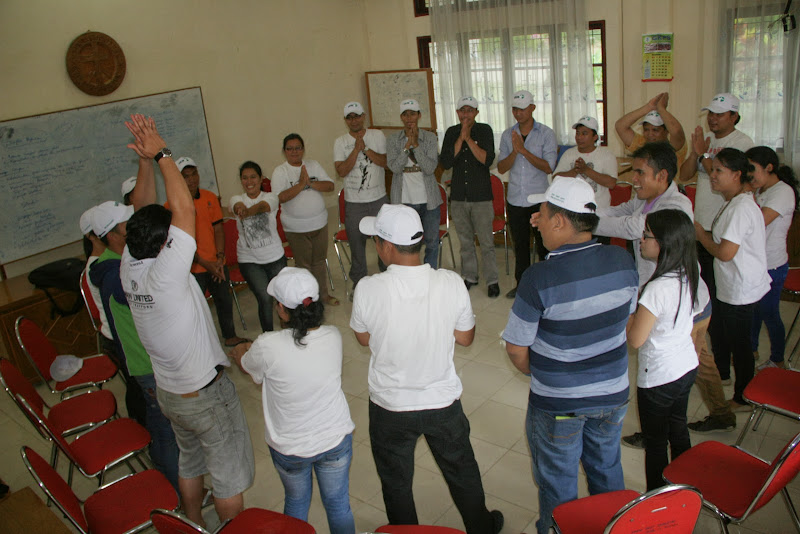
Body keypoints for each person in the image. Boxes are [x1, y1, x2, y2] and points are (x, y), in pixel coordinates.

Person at [121, 114, 254, 526]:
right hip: (203, 395)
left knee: (191, 463)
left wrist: (144, 162)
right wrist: (162, 153)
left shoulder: (130, 264)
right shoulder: (167, 272)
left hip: (170, 394)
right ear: (166, 243)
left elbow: (142, 209)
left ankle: (192, 523)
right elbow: (182, 208)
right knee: (227, 478)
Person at [350, 204, 503, 534]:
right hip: (442, 403)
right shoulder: (450, 282)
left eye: (375, 240)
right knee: (462, 473)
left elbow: (363, 338)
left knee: (396, 482)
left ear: (387, 247)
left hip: (390, 407)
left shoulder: (368, 288)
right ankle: (483, 527)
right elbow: (465, 338)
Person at [503, 178, 638, 534]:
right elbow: (626, 318)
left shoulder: (538, 278)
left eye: (543, 214)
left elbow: (516, 348)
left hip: (560, 403)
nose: (537, 221)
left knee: (558, 480)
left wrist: (541, 370)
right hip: (612, 395)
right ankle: (614, 527)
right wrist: (548, 230)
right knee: (606, 468)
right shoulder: (623, 259)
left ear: (561, 221)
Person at [593, 143, 734, 437]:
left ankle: (665, 429)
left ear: (662, 175)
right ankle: (707, 417)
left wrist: (583, 222)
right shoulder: (646, 196)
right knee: (688, 361)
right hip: (667, 299)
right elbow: (621, 211)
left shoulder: (675, 206)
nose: (634, 179)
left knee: (682, 366)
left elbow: (631, 227)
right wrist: (588, 210)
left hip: (685, 304)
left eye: (640, 173)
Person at [231, 267, 355, 534]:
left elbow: (247, 366)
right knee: (338, 504)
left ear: (283, 310)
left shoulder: (267, 344)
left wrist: (241, 349)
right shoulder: (333, 336)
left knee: (296, 502)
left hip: (289, 447)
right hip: (334, 438)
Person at [89, 193, 179, 493]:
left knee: (161, 426)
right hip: (147, 363)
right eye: (126, 226)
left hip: (145, 361)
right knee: (166, 430)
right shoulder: (116, 275)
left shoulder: (116, 264)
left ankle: (169, 483)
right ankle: (176, 492)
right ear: (113, 236)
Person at [626, 209, 700, 491]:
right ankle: (685, 491)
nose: (641, 240)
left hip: (659, 376)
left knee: (656, 443)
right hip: (685, 365)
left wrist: (629, 313)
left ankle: (657, 499)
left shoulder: (657, 288)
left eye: (647, 235)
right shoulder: (690, 271)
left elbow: (636, 339)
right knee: (678, 430)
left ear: (664, 243)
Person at [694, 148, 770, 412]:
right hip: (736, 283)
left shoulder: (741, 208)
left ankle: (743, 398)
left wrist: (701, 235)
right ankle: (733, 382)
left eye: (719, 171)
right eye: (712, 169)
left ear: (737, 175)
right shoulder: (735, 201)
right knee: (733, 338)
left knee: (741, 345)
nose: (712, 175)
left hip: (741, 287)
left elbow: (725, 253)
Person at [679, 93, 754, 320]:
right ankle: (709, 327)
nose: (712, 118)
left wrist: (703, 153)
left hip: (724, 226)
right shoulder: (707, 140)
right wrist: (695, 152)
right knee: (704, 283)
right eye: (711, 113)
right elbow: (684, 175)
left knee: (721, 285)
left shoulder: (742, 143)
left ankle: (722, 328)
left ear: (734, 116)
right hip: (702, 222)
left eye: (719, 114)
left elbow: (726, 177)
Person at [167, 155, 247, 347]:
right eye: (186, 176)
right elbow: (179, 243)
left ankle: (230, 336)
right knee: (194, 308)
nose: (191, 179)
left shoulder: (209, 198)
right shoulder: (171, 206)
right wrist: (205, 263)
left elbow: (218, 230)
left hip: (216, 264)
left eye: (194, 174)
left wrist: (219, 258)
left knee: (224, 301)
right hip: (193, 268)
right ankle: (198, 344)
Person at [497, 90, 557, 298]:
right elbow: (502, 167)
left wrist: (523, 151)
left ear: (532, 108)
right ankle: (522, 286)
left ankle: (547, 288)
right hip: (515, 199)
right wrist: (515, 151)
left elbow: (549, 167)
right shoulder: (508, 135)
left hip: (539, 201)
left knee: (544, 246)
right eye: (515, 109)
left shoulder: (546, 134)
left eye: (522, 109)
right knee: (520, 247)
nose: (518, 113)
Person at [440, 95, 499, 297]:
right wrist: (460, 138)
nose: (466, 114)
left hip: (481, 197)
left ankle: (492, 280)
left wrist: (468, 139)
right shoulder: (451, 132)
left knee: (486, 243)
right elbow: (446, 162)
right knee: (465, 242)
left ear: (476, 112)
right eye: (462, 110)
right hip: (458, 196)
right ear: (457, 112)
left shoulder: (485, 130)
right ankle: (470, 276)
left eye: (470, 110)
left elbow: (486, 160)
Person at [746, 146, 798, 370]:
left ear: (769, 167)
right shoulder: (760, 189)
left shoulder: (783, 191)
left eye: (752, 169)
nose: (748, 174)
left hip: (773, 265)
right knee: (754, 312)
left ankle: (778, 359)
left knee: (769, 313)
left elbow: (758, 223)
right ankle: (752, 350)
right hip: (757, 263)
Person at [272, 134, 338, 305]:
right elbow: (280, 197)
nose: (294, 151)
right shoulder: (280, 171)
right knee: (304, 266)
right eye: (290, 148)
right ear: (284, 151)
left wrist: (310, 183)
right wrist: (301, 185)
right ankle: (308, 301)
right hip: (296, 229)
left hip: (320, 224)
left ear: (303, 149)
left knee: (319, 262)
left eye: (298, 148)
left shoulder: (313, 165)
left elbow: (330, 185)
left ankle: (323, 295)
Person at [334, 101, 388, 293]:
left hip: (378, 199)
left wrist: (366, 149)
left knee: (384, 241)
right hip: (354, 203)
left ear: (363, 117)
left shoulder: (377, 135)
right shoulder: (340, 142)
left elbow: (385, 162)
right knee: (356, 245)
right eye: (349, 118)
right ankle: (359, 282)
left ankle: (386, 276)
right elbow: (341, 171)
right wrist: (356, 150)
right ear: (345, 120)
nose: (354, 120)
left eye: (357, 116)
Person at [229, 160, 287, 332]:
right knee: (264, 298)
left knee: (282, 296)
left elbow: (263, 207)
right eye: (245, 178)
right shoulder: (236, 199)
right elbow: (237, 206)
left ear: (261, 178)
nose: (249, 181)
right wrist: (240, 208)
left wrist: (247, 212)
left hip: (274, 257)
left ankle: (287, 327)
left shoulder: (271, 197)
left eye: (253, 177)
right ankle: (268, 335)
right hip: (249, 260)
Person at [386, 98, 441, 269]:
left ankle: (429, 274)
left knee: (432, 242)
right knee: (405, 244)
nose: (409, 118)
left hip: (429, 201)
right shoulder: (393, 139)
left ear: (419, 115)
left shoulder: (430, 138)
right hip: (404, 200)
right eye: (405, 114)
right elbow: (394, 167)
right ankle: (409, 274)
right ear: (401, 117)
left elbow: (430, 168)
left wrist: (415, 145)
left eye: (413, 114)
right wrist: (406, 148)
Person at [552, 116, 617, 214]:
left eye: (584, 133)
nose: (579, 137)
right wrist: (575, 170)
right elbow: (555, 179)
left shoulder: (606, 155)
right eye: (577, 133)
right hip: (572, 209)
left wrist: (586, 170)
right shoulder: (569, 154)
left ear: (595, 137)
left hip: (598, 210)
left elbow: (611, 183)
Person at [615, 92, 687, 164]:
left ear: (666, 131)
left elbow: (677, 131)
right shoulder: (641, 144)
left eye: (655, 130)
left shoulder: (673, 147)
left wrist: (661, 108)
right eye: (646, 129)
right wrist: (649, 107)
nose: (650, 134)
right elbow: (620, 126)